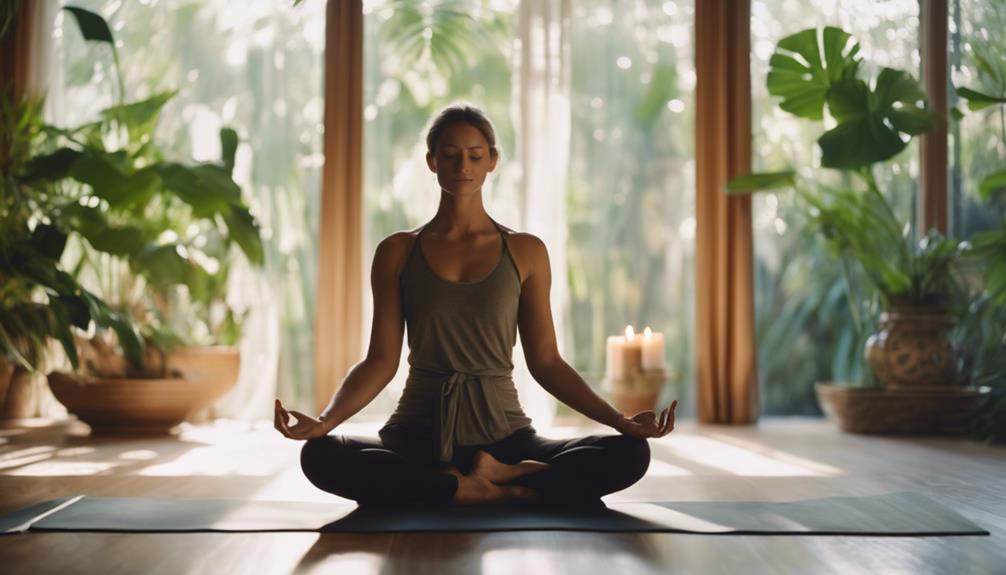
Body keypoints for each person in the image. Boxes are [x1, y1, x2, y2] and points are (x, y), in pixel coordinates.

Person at [275, 103, 676, 508]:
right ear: (432, 162)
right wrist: (325, 421)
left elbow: (547, 363)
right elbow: (380, 361)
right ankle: (498, 490)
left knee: (630, 453)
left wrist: (619, 421)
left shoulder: (525, 251)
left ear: (492, 161)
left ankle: (475, 482)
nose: (461, 165)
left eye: (475, 155)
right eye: (449, 155)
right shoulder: (397, 251)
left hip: (506, 440)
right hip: (416, 436)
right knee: (321, 455)